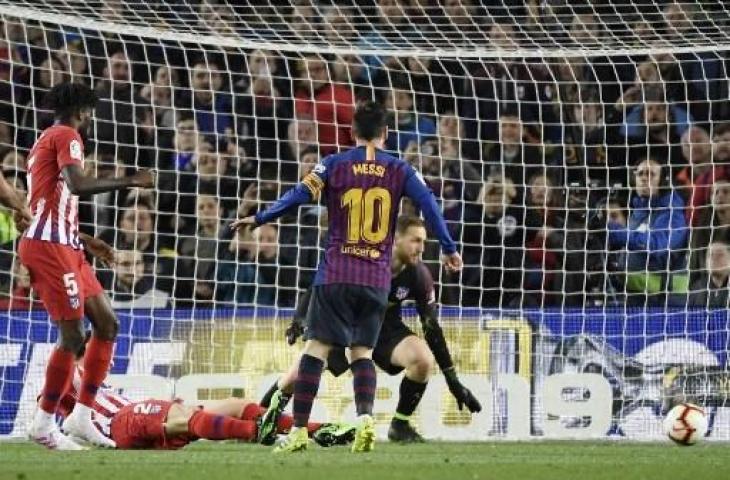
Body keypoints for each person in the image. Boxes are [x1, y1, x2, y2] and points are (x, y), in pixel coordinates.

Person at [231, 101, 462, 454]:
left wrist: (261, 218)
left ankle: (297, 432)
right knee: (362, 353)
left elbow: (298, 195)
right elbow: (430, 205)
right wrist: (448, 247)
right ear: (386, 133)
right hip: (375, 279)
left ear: (352, 132)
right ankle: (366, 419)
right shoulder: (402, 170)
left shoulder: (334, 164)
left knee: (316, 350)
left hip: (337, 272)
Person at [260, 216, 480, 444]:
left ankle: (400, 425)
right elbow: (322, 282)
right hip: (345, 323)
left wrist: (452, 379)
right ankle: (259, 414)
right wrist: (299, 319)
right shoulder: (362, 259)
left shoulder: (418, 275)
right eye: (416, 241)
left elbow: (431, 327)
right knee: (295, 377)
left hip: (385, 331)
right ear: (395, 239)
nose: (422, 249)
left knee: (422, 359)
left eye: (424, 242)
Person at [20, 82, 155, 450]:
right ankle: (44, 424)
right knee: (73, 336)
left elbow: (54, 199)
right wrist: (130, 179)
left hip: (67, 244)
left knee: (107, 324)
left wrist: (85, 241)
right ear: (82, 111)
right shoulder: (67, 135)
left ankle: (82, 416)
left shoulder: (46, 137)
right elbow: (76, 185)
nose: (91, 118)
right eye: (90, 111)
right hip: (49, 246)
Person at [53, 341, 351, 450]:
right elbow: (56, 391)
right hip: (121, 422)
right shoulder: (73, 373)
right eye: (104, 355)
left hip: (137, 418)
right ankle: (265, 434)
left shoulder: (97, 386)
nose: (110, 361)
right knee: (185, 416)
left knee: (236, 405)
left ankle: (319, 431)